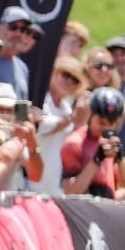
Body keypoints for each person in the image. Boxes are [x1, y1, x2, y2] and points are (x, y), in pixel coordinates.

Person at [30, 56, 90, 195]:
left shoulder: (66, 108)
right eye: (66, 75)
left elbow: (71, 140)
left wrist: (82, 117)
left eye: (75, 80)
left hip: (53, 180)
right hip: (32, 177)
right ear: (54, 72)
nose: (69, 81)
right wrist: (72, 118)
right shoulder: (41, 99)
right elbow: (42, 128)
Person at [61, 87, 125, 199]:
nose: (106, 128)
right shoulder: (74, 143)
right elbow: (71, 191)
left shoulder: (109, 142)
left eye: (111, 123)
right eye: (101, 122)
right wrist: (97, 159)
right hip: (83, 212)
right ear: (90, 114)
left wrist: (120, 158)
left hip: (105, 210)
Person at [0, 6, 33, 100]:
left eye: (23, 30)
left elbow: (21, 108)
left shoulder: (23, 68)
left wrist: (25, 115)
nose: (18, 33)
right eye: (13, 27)